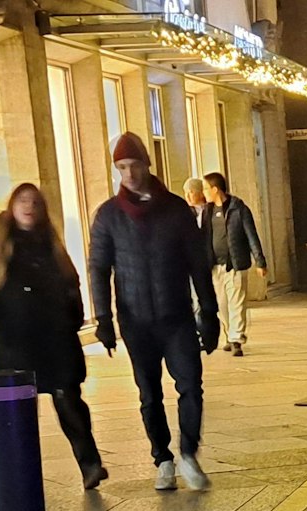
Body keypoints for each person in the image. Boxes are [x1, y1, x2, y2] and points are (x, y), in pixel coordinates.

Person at [90, 131, 219, 491]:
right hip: (135, 320)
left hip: (175, 315)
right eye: (121, 167)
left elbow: (198, 264)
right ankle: (162, 457)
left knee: (190, 385)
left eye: (133, 165)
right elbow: (98, 269)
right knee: (149, 393)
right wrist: (103, 318)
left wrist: (209, 313)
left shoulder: (175, 209)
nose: (128, 173)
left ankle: (188, 452)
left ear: (147, 164)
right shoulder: (109, 216)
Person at [0, 182, 105, 490]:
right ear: (12, 206)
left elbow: (72, 285)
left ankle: (90, 464)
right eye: (22, 200)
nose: (29, 206)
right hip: (15, 344)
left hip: (56, 341)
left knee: (69, 403)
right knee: (18, 413)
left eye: (35, 201)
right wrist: (4, 325)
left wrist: (71, 319)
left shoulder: (53, 246)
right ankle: (19, 478)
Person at [201, 172, 265, 357]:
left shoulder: (238, 208)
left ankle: (237, 338)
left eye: (206, 188)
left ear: (215, 189)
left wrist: (260, 260)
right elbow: (204, 237)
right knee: (222, 304)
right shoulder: (208, 211)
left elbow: (251, 234)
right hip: (215, 266)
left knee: (236, 302)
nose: (204, 192)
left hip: (235, 263)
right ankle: (229, 334)